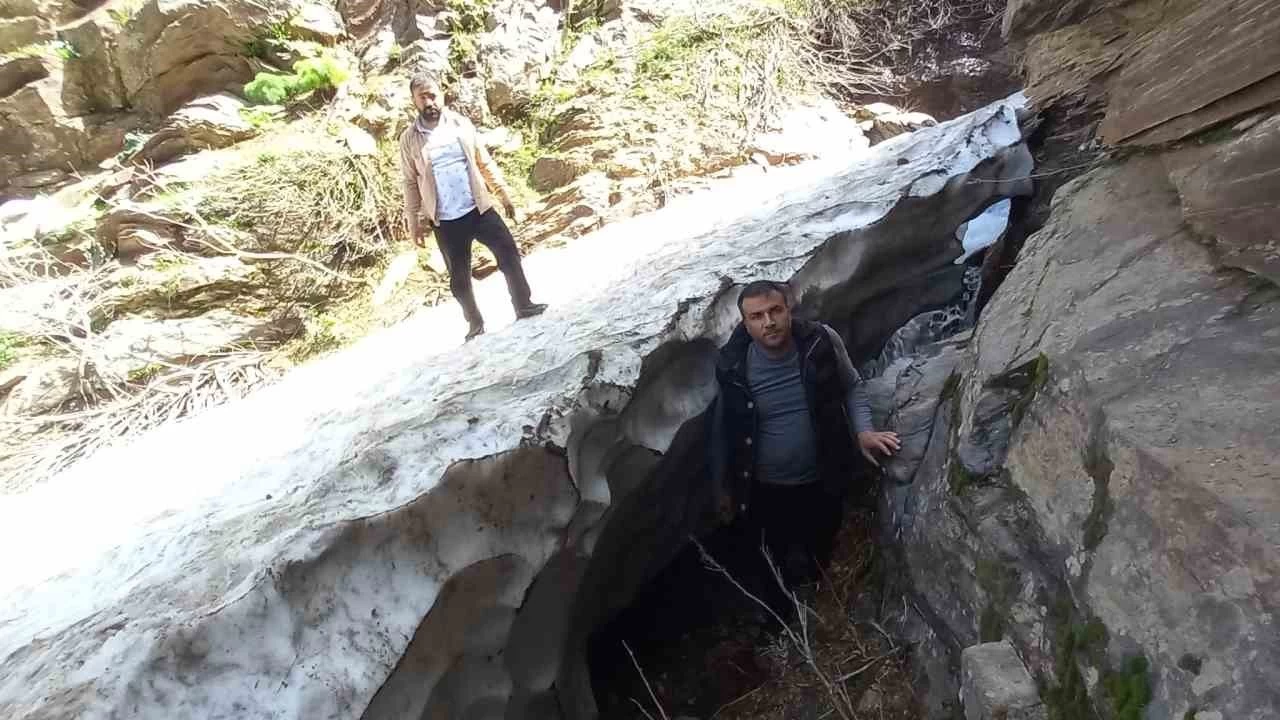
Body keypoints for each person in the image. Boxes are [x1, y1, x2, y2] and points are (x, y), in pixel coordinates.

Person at [708, 280, 900, 608]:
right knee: (771, 559)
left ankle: (818, 598)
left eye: (775, 311)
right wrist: (721, 487)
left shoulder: (821, 341)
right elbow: (722, 429)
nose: (768, 322)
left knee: (819, 545)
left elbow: (852, 386)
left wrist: (863, 432)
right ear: (745, 323)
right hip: (764, 490)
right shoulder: (734, 364)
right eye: (757, 316)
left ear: (789, 309)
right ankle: (780, 617)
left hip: (823, 477)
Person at [398, 72, 547, 340]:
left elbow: (483, 161)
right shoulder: (409, 139)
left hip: (478, 207)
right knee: (459, 279)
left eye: (432, 94)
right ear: (414, 102)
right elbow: (410, 182)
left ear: (441, 94)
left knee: (509, 253)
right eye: (422, 97)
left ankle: (523, 304)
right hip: (444, 219)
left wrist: (503, 194)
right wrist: (414, 221)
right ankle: (475, 323)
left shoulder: (459, 124)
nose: (429, 101)